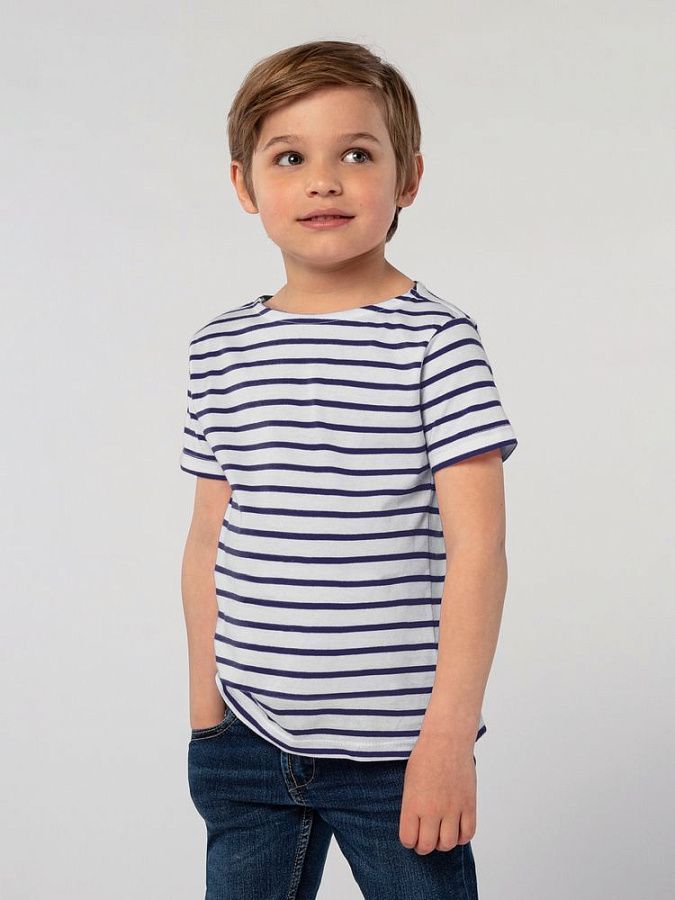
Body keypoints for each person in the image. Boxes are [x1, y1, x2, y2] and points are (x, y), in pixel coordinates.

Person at [179, 39, 518, 900]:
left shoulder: (436, 342)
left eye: (356, 155)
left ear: (407, 178)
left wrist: (446, 740)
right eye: (289, 158)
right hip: (247, 739)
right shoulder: (220, 348)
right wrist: (206, 715)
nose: (323, 182)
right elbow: (208, 538)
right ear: (244, 184)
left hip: (399, 754)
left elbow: (478, 553)